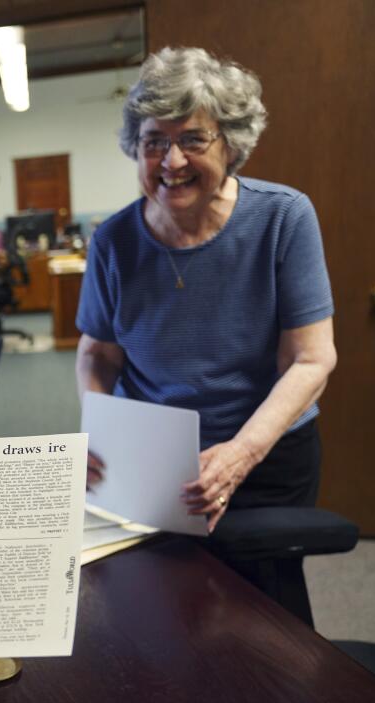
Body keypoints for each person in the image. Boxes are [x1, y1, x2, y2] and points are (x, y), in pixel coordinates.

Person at [76, 47, 336, 534]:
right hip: (155, 461)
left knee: (266, 598)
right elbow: (98, 356)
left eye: (193, 139)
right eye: (153, 142)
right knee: (160, 597)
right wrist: (95, 431)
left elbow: (311, 360)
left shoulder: (284, 218)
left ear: (231, 145)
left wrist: (241, 454)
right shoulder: (113, 242)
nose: (172, 161)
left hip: (266, 455)